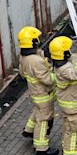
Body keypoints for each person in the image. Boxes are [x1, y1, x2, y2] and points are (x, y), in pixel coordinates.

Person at [18, 27, 59, 155]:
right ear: (33, 41)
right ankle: (41, 148)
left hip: (35, 93)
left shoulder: (24, 57)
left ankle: (29, 130)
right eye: (37, 40)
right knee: (45, 120)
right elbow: (47, 79)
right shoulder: (36, 61)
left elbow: (23, 73)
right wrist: (57, 75)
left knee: (38, 111)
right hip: (43, 94)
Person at [50, 36, 77, 155]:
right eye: (68, 50)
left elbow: (74, 58)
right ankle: (70, 152)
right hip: (72, 106)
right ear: (63, 53)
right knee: (74, 130)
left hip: (71, 104)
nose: (70, 51)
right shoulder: (64, 69)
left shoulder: (61, 63)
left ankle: (70, 147)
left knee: (70, 129)